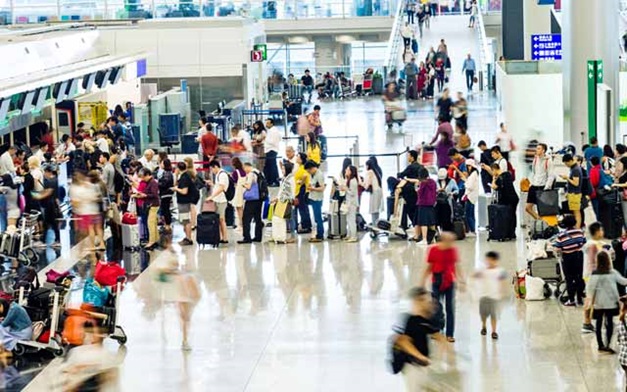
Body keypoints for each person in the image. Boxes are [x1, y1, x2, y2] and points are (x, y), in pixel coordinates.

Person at [152, 233, 200, 351]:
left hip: (180, 285)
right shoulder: (163, 256)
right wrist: (171, 269)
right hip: (177, 287)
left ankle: (185, 338)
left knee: (185, 315)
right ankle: (185, 339)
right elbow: (159, 271)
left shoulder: (171, 254)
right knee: (184, 315)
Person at [391, 287, 446, 391]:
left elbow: (439, 337)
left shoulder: (425, 321)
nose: (430, 304)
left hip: (422, 367)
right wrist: (421, 358)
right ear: (417, 302)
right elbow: (402, 341)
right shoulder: (410, 320)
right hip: (412, 366)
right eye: (427, 301)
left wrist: (438, 359)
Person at [420, 232, 465, 342]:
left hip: (449, 281)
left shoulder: (452, 250)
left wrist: (462, 280)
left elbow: (456, 266)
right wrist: (422, 280)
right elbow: (429, 267)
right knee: (435, 307)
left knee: (450, 308)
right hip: (437, 280)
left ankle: (450, 333)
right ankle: (436, 331)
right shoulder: (434, 250)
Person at [587, 250, 627, 353]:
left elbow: (590, 288)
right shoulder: (612, 272)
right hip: (611, 302)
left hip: (598, 303)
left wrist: (590, 299)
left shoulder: (594, 273)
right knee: (609, 323)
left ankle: (600, 344)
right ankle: (608, 344)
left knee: (598, 324)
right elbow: (623, 281)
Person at [552, 214, 587, 307]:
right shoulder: (580, 232)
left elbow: (557, 248)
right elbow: (584, 242)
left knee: (569, 279)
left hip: (568, 258)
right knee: (579, 278)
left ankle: (571, 300)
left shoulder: (561, 235)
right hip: (579, 256)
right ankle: (580, 299)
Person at [472, 251, 507, 340]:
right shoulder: (483, 270)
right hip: (484, 295)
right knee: (483, 314)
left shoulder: (500, 271)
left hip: (494, 296)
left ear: (496, 261)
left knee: (493, 314)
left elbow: (503, 282)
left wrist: (502, 292)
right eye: (488, 260)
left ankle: (494, 331)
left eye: (492, 260)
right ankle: (484, 326)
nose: (490, 262)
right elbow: (474, 276)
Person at [406, 168, 436, 245]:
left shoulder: (423, 183)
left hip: (423, 204)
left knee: (423, 222)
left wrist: (416, 188)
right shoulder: (433, 182)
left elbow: (419, 192)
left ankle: (424, 239)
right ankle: (432, 239)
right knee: (431, 222)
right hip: (431, 204)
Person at [525, 143, 554, 220]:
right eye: (536, 148)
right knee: (528, 208)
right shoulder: (535, 159)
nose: (536, 150)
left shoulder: (548, 161)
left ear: (543, 150)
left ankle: (542, 225)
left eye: (538, 148)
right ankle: (539, 220)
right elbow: (533, 172)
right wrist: (531, 182)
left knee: (541, 210)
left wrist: (547, 188)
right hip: (534, 185)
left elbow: (551, 176)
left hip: (542, 187)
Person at [133, 168, 160, 250]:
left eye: (143, 177)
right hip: (150, 204)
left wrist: (145, 195)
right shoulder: (149, 182)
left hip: (153, 205)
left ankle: (151, 241)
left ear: (148, 175)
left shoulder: (153, 183)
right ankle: (155, 239)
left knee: (150, 223)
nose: (142, 179)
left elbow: (154, 194)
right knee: (153, 223)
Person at [490, 161, 518, 239]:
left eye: (492, 171)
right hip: (514, 198)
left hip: (507, 200)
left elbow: (493, 187)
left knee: (508, 216)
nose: (493, 173)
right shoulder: (508, 174)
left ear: (494, 169)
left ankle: (508, 233)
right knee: (512, 215)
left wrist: (493, 179)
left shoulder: (499, 178)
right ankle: (512, 233)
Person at [397, 150, 423, 230]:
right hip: (419, 190)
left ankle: (415, 226)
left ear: (412, 157)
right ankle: (419, 226)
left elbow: (401, 174)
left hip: (410, 191)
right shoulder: (421, 167)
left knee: (410, 209)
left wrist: (403, 177)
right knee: (418, 209)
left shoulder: (411, 167)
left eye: (408, 156)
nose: (407, 157)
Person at [172, 162, 197, 246]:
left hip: (184, 201)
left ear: (178, 168)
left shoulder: (184, 178)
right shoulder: (185, 176)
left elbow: (184, 191)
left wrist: (176, 189)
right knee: (184, 220)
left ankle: (188, 238)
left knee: (186, 220)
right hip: (184, 201)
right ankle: (186, 237)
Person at [238, 163, 264, 244]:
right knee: (257, 218)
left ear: (247, 166)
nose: (244, 170)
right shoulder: (259, 172)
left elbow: (248, 186)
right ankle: (258, 237)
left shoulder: (251, 174)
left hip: (251, 199)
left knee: (246, 218)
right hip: (259, 198)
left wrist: (242, 184)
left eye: (244, 168)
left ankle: (247, 237)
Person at [206, 160, 230, 244]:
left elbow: (222, 188)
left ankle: (225, 238)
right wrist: (212, 184)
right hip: (218, 199)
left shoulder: (222, 174)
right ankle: (220, 237)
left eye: (212, 169)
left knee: (221, 219)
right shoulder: (218, 175)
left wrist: (211, 196)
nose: (212, 171)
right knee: (219, 219)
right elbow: (218, 186)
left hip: (221, 200)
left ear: (215, 167)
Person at [304, 161, 326, 243]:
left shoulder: (319, 175)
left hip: (317, 199)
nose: (308, 172)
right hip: (312, 197)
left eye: (309, 171)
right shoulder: (312, 174)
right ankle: (318, 234)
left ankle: (320, 235)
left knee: (318, 217)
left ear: (312, 168)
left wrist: (313, 189)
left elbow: (322, 188)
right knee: (316, 217)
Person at [560, 154, 583, 229]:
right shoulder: (574, 168)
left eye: (566, 163)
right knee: (575, 212)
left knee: (576, 212)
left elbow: (576, 183)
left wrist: (567, 178)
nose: (566, 165)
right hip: (573, 193)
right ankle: (577, 227)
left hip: (574, 194)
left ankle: (577, 228)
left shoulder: (575, 169)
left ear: (570, 161)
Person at [340, 165, 359, 243]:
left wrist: (346, 189)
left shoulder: (353, 181)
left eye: (347, 170)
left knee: (351, 220)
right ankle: (349, 235)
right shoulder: (349, 180)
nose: (345, 171)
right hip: (349, 202)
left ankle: (353, 236)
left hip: (352, 203)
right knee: (348, 219)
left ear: (351, 171)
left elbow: (353, 193)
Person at [294, 152, 312, 234]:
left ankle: (306, 226)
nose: (296, 158)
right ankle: (304, 225)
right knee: (302, 208)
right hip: (299, 190)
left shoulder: (303, 168)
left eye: (298, 157)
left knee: (303, 208)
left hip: (303, 189)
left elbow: (305, 176)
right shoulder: (299, 167)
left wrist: (300, 182)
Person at [361, 159, 383, 224]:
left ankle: (374, 226)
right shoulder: (376, 172)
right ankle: (376, 224)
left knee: (373, 210)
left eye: (366, 165)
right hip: (379, 191)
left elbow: (366, 185)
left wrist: (360, 182)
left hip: (375, 192)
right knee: (376, 210)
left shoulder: (369, 172)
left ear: (368, 166)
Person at [462, 159, 479, 236]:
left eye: (469, 166)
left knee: (469, 214)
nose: (468, 168)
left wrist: (465, 183)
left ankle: (472, 230)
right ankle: (472, 230)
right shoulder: (474, 174)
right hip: (472, 196)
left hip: (470, 196)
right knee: (471, 214)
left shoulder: (473, 174)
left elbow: (470, 186)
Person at [230, 157, 246, 233]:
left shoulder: (235, 172)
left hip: (238, 191)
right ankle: (242, 224)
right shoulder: (243, 171)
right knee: (242, 208)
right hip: (244, 191)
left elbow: (233, 181)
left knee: (238, 209)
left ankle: (241, 224)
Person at [158, 158, 174, 233]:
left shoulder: (166, 173)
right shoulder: (168, 172)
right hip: (166, 193)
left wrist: (157, 183)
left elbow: (164, 184)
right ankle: (166, 224)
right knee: (165, 209)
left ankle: (167, 225)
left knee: (166, 209)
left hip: (165, 193)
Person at [264, 118, 281, 187]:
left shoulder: (274, 131)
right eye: (266, 123)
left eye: (268, 123)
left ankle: (274, 181)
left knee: (272, 166)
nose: (266, 124)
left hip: (272, 150)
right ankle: (269, 181)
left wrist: (265, 139)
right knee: (269, 166)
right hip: (269, 150)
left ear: (272, 124)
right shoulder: (270, 130)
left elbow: (273, 141)